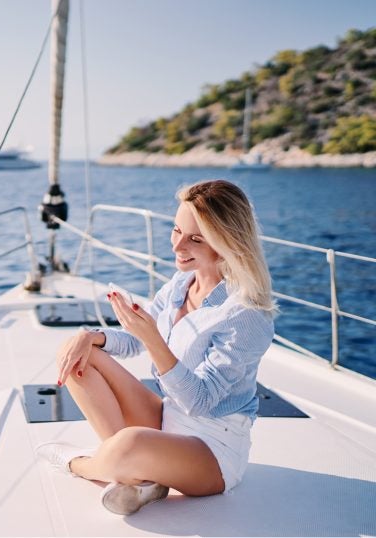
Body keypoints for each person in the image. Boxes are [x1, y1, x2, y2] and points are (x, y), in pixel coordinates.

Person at [36, 179, 276, 515]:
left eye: (195, 239)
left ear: (227, 242)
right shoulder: (182, 283)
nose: (178, 246)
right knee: (78, 356)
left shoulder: (245, 314)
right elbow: (136, 339)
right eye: (177, 231)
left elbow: (200, 400)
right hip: (169, 418)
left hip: (213, 449)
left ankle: (84, 464)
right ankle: (140, 477)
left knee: (127, 445)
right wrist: (91, 337)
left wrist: (153, 339)